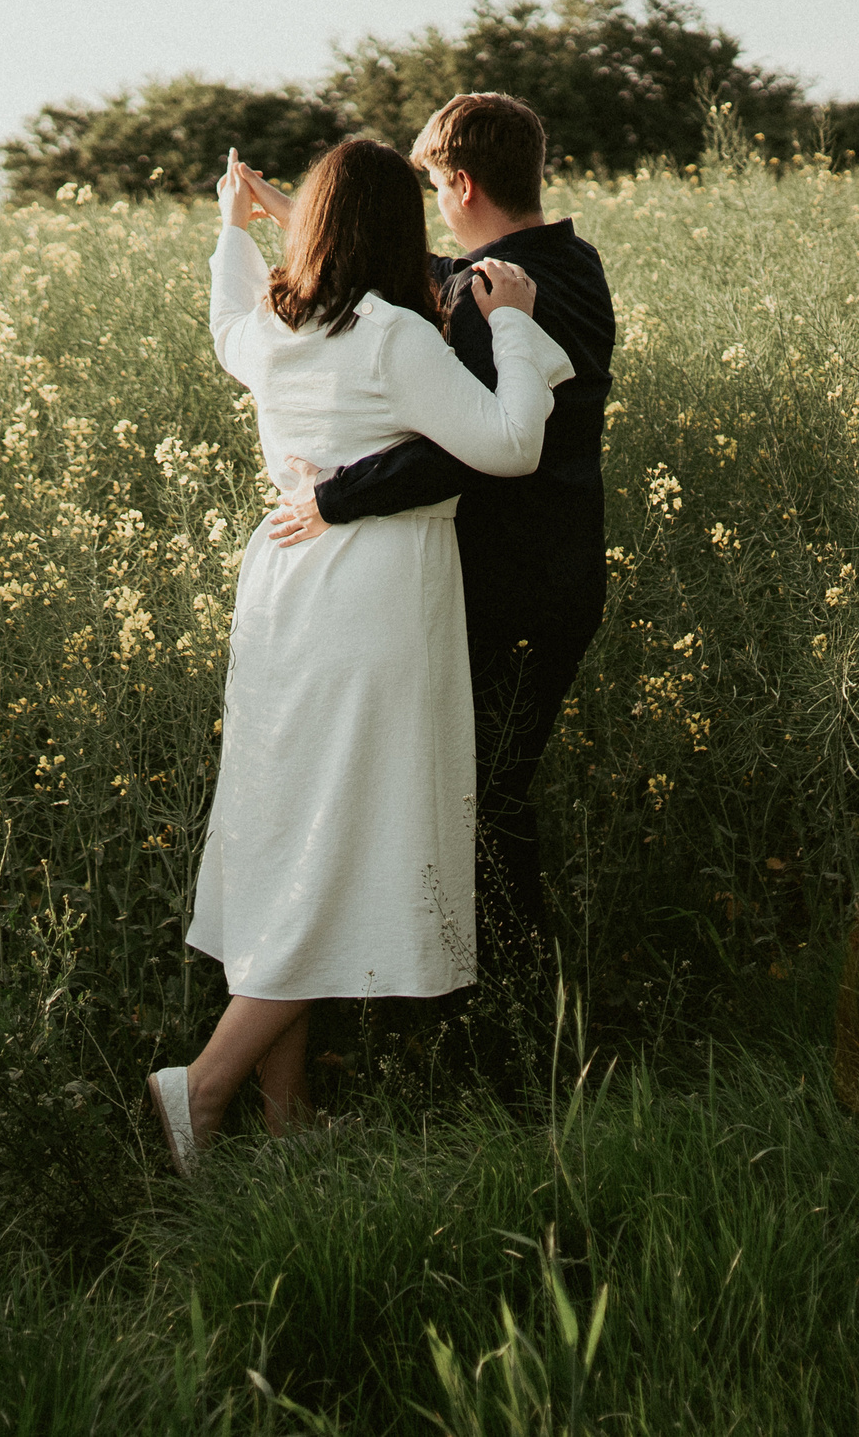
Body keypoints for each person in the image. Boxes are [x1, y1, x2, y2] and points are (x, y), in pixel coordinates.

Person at [148, 139, 574, 1172]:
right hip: (375, 593)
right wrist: (512, 325)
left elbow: (222, 320)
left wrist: (231, 228)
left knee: (289, 828)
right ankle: (200, 1088)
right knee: (342, 844)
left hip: (287, 592)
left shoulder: (272, 329)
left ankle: (287, 1120)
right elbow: (510, 444)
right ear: (397, 228)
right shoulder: (388, 335)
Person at [248, 94, 616, 1051]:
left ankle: (523, 1040)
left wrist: (333, 498)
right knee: (466, 801)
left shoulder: (521, 292)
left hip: (519, 589)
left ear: (460, 183)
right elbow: (423, 271)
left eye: (430, 188)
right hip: (526, 582)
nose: (431, 211)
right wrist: (310, 219)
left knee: (484, 807)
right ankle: (475, 1028)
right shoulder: (550, 265)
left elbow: (466, 448)